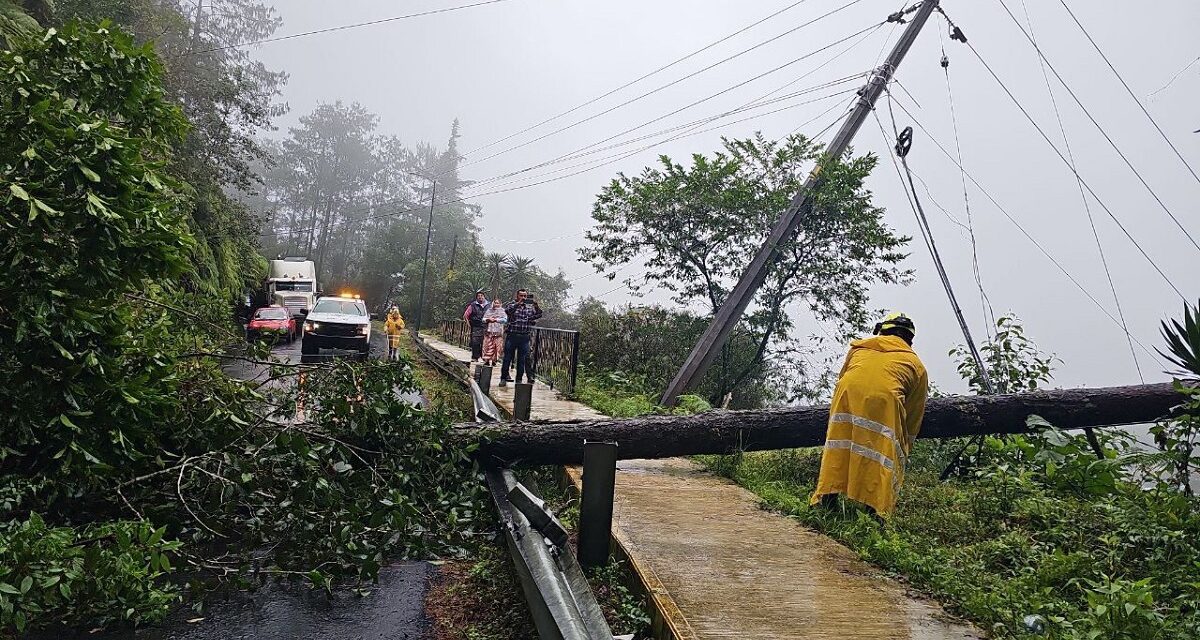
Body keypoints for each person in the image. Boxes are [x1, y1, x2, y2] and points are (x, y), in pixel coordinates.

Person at [810, 312, 928, 520]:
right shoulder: (916, 366)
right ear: (909, 340)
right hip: (884, 412)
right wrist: (905, 442)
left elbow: (842, 378)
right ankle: (875, 515)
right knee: (881, 459)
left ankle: (826, 501)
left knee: (839, 450)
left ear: (881, 331)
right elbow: (913, 413)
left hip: (845, 406)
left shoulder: (859, 349)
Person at [500, 288, 542, 385]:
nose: (523, 298)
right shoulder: (512, 305)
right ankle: (503, 378)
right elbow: (507, 311)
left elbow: (538, 315)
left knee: (521, 360)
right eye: (521, 295)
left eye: (525, 296)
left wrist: (536, 306)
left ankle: (519, 380)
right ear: (517, 296)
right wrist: (518, 303)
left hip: (524, 337)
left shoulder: (530, 308)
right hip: (512, 336)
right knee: (507, 358)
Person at [463, 289, 489, 362]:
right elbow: (465, 315)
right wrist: (468, 325)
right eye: (478, 296)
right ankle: (475, 357)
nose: (480, 297)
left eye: (481, 296)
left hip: (486, 327)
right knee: (475, 342)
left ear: (484, 297)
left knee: (485, 343)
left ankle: (484, 357)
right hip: (476, 326)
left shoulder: (489, 305)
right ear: (476, 297)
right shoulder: (473, 305)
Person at [481, 299, 507, 366]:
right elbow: (483, 319)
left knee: (497, 346)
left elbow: (505, 320)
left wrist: (496, 320)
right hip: (489, 331)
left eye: (498, 303)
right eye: (495, 303)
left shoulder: (503, 311)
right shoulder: (489, 310)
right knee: (487, 346)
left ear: (500, 304)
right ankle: (486, 360)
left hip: (498, 331)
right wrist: (488, 319)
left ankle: (494, 361)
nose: (496, 304)